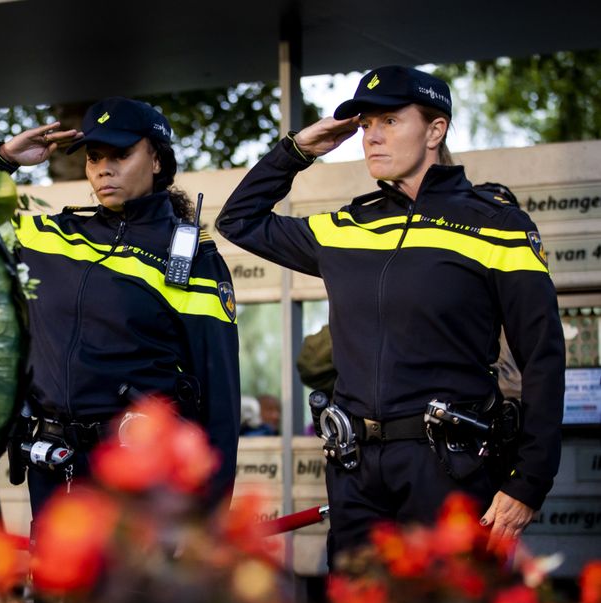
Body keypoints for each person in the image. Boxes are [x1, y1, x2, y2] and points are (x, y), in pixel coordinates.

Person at [216, 66, 564, 561]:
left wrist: (529, 481)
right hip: (354, 470)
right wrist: (298, 149)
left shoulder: (497, 225)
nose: (371, 138)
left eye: (389, 122)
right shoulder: (348, 225)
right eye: (364, 125)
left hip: (449, 467)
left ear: (435, 130)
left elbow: (544, 358)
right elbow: (238, 220)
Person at [0, 97, 240, 516]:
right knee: (57, 584)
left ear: (157, 161)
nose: (104, 168)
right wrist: (4, 157)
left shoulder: (193, 257)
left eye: (121, 154)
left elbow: (220, 403)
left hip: (140, 477)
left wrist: (205, 529)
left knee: (131, 586)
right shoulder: (50, 234)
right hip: (54, 470)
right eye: (94, 156)